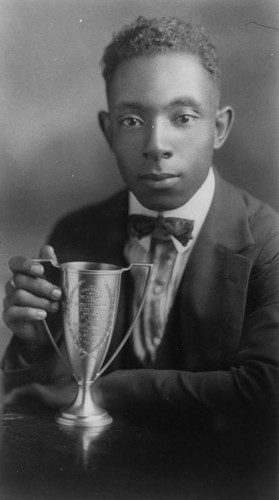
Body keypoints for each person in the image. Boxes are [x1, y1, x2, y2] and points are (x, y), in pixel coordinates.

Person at [2, 16, 279, 432]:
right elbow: (36, 404)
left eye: (183, 118)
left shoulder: (268, 241)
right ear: (108, 130)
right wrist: (34, 343)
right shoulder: (76, 234)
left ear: (219, 128)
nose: (156, 146)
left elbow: (268, 393)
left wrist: (112, 390)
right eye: (132, 121)